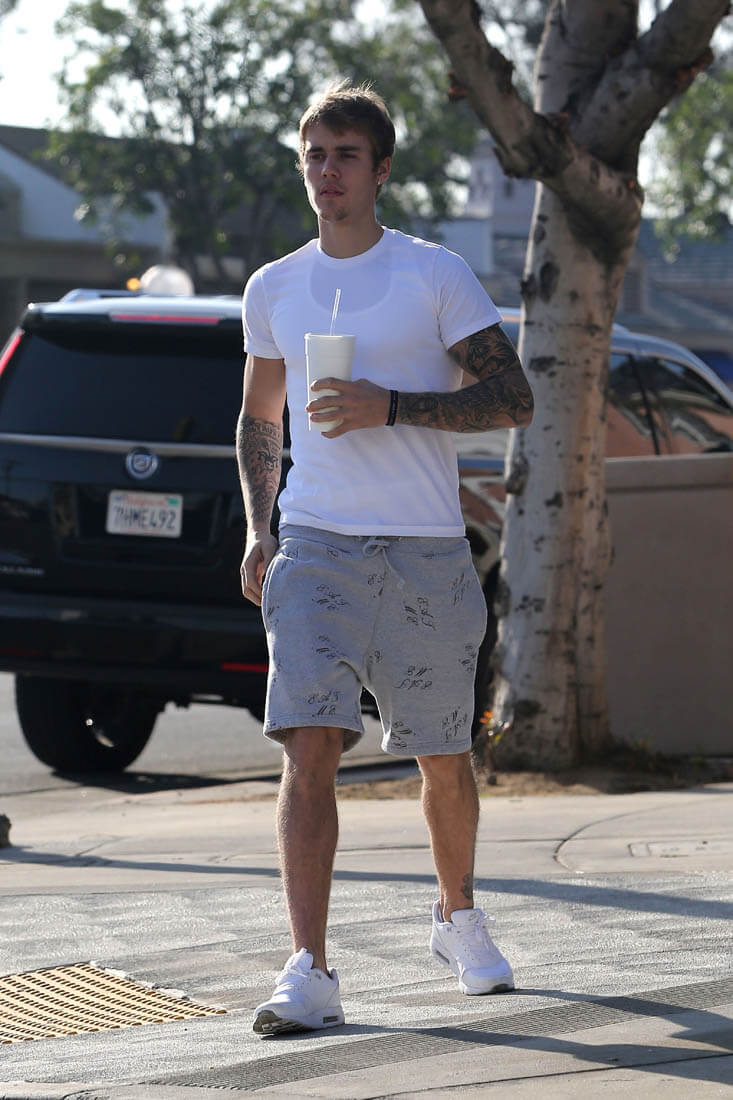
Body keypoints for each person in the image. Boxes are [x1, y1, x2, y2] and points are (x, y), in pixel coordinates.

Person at [237, 82, 533, 1037]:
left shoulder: (432, 274)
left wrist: (393, 406)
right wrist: (259, 527)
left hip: (425, 547)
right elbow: (260, 416)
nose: (327, 171)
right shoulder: (274, 286)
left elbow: (514, 397)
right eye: (314, 154)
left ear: (381, 170)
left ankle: (457, 916)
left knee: (442, 754)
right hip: (315, 540)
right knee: (309, 743)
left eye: (345, 155)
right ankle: (309, 968)